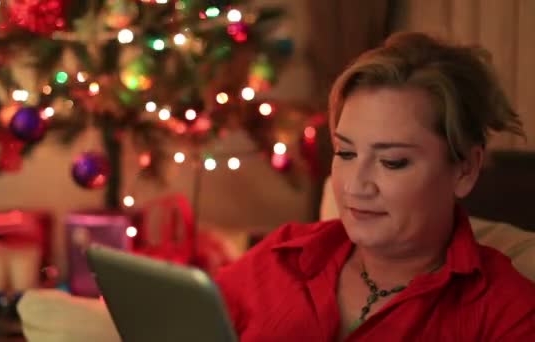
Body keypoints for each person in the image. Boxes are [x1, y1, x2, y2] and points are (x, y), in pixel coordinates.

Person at [215, 32, 535, 341]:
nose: (355, 186)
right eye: (346, 153)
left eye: (392, 161)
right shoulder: (281, 257)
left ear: (465, 169)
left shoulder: (506, 314)